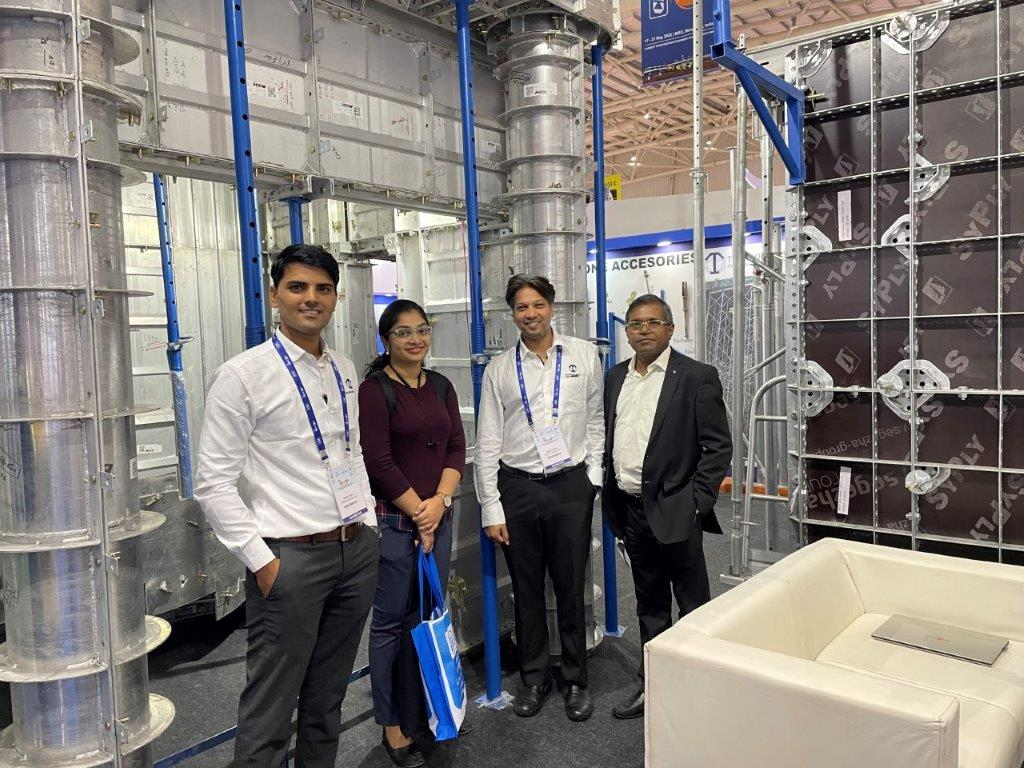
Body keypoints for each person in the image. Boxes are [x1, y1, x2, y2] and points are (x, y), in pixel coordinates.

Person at [194, 244, 378, 768]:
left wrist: (367, 522)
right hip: (290, 560)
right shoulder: (243, 376)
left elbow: (351, 453)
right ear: (275, 295)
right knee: (270, 709)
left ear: (336, 298)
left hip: (353, 551)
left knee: (328, 697)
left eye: (323, 289)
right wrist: (263, 561)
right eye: (298, 287)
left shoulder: (343, 368)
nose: (311, 298)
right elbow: (212, 483)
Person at [475, 274, 604, 722]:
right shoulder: (499, 369)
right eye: (521, 307)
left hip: (570, 486)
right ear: (512, 313)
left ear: (552, 307)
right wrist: (491, 506)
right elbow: (488, 441)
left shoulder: (584, 355)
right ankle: (534, 677)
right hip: (518, 488)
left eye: (537, 305)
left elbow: (595, 420)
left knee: (571, 585)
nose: (530, 314)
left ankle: (576, 678)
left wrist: (593, 478)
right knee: (526, 589)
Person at [602, 294, 731, 720]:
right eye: (635, 324)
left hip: (678, 509)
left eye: (653, 322)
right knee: (649, 604)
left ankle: (700, 689)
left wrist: (697, 503)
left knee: (693, 603)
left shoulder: (696, 376)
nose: (644, 330)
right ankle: (654, 687)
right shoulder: (616, 377)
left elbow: (717, 446)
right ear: (627, 332)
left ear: (670, 329)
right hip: (630, 510)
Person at [359, 299, 466, 768]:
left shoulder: (441, 385)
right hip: (396, 524)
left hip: (437, 518)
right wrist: (420, 514)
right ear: (386, 340)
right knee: (389, 624)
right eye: (403, 332)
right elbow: (378, 462)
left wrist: (439, 502)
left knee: (427, 616)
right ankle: (391, 723)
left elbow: (456, 447)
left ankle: (425, 707)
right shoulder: (375, 390)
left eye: (422, 330)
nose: (415, 339)